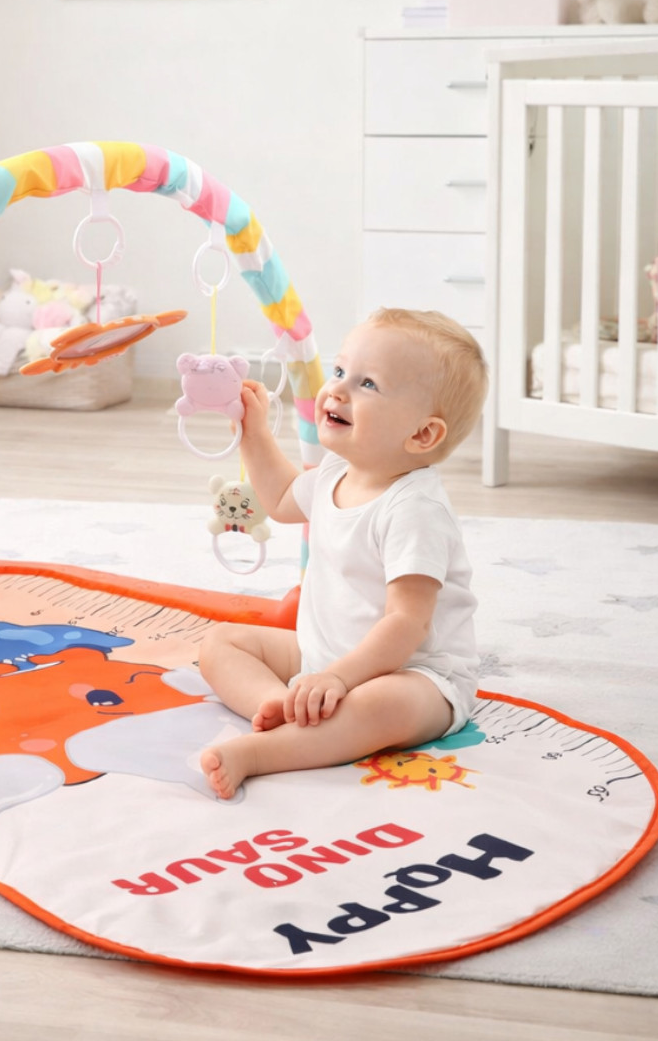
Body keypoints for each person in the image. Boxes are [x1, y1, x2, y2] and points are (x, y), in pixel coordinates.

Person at [198, 307, 488, 800]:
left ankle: (263, 752)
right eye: (339, 371)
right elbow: (282, 499)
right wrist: (254, 433)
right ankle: (282, 706)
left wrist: (340, 677)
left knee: (384, 705)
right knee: (220, 643)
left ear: (422, 434)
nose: (336, 390)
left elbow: (407, 623)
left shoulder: (415, 509)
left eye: (367, 384)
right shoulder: (338, 470)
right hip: (322, 656)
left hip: (415, 673)